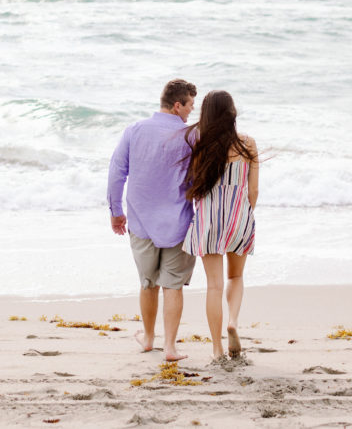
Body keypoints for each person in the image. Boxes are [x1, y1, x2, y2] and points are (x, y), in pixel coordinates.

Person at [107, 78, 198, 362]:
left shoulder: (134, 130)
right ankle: (170, 348)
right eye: (190, 106)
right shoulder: (190, 136)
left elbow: (116, 172)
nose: (190, 112)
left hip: (141, 222)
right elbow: (199, 179)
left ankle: (148, 339)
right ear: (177, 105)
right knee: (172, 285)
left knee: (148, 283)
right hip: (179, 223)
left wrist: (115, 211)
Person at [181, 90, 258, 363]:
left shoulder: (198, 145)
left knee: (213, 286)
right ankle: (233, 322)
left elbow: (192, 186)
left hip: (209, 221)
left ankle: (216, 349)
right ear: (232, 112)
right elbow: (253, 193)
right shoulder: (247, 144)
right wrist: (243, 215)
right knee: (235, 278)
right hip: (239, 217)